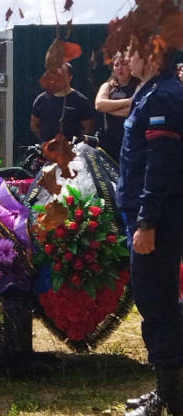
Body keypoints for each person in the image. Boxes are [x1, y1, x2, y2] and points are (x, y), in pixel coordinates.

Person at [116, 48, 183, 416]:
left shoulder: (164, 97)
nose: (127, 58)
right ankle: (168, 390)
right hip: (146, 215)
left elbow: (160, 168)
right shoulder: (151, 92)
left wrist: (147, 222)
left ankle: (170, 397)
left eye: (134, 52)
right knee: (155, 302)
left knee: (158, 304)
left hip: (157, 220)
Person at [30, 62, 94, 143]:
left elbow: (88, 128)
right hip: (46, 151)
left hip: (72, 152)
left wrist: (75, 144)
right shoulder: (41, 100)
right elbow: (34, 126)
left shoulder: (81, 101)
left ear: (70, 78)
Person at [95, 53, 141, 164]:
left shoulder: (139, 85)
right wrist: (128, 101)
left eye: (124, 64)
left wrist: (109, 107)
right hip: (108, 142)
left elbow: (132, 111)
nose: (120, 68)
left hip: (130, 141)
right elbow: (99, 105)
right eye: (116, 65)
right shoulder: (107, 86)